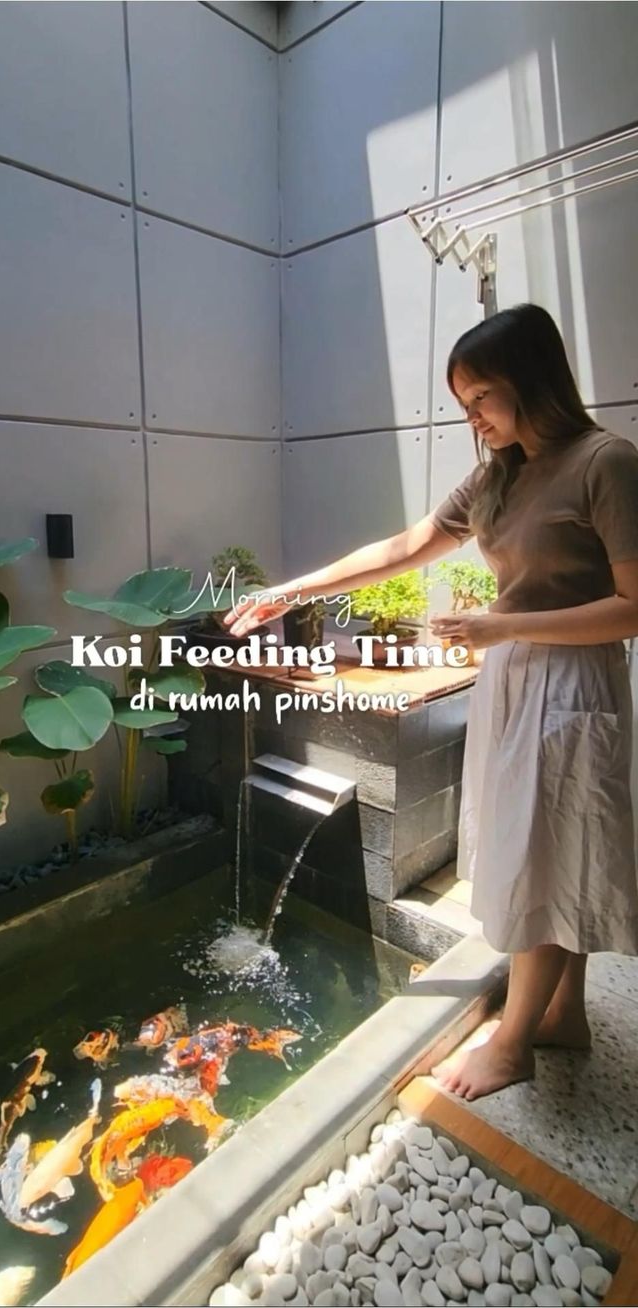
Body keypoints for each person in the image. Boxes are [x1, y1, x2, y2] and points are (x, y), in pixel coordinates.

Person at [223, 302, 638, 1102]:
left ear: (532, 381)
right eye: (463, 404)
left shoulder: (605, 462)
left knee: (547, 854)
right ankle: (565, 1015)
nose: (472, 418)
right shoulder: (500, 472)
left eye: (481, 397)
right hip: (516, 675)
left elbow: (635, 606)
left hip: (573, 683)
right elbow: (405, 548)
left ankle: (513, 1042)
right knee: (552, 847)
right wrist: (290, 590)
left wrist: (500, 623)